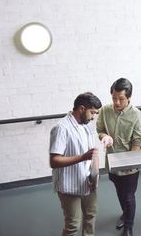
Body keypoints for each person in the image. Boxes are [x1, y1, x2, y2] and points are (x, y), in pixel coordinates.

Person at [96, 78, 141, 236]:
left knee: (129, 195)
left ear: (129, 97)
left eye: (121, 98)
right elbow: (100, 129)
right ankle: (125, 214)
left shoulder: (137, 115)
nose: (117, 102)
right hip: (111, 161)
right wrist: (104, 136)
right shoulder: (105, 111)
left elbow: (138, 140)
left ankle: (129, 227)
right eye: (114, 98)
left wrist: (129, 161)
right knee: (119, 191)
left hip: (130, 164)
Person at [49, 92, 102, 236]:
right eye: (92, 112)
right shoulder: (61, 128)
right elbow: (54, 161)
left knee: (90, 217)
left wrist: (95, 176)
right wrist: (83, 157)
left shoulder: (88, 125)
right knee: (73, 225)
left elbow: (94, 153)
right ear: (81, 108)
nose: (93, 117)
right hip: (69, 185)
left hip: (88, 182)